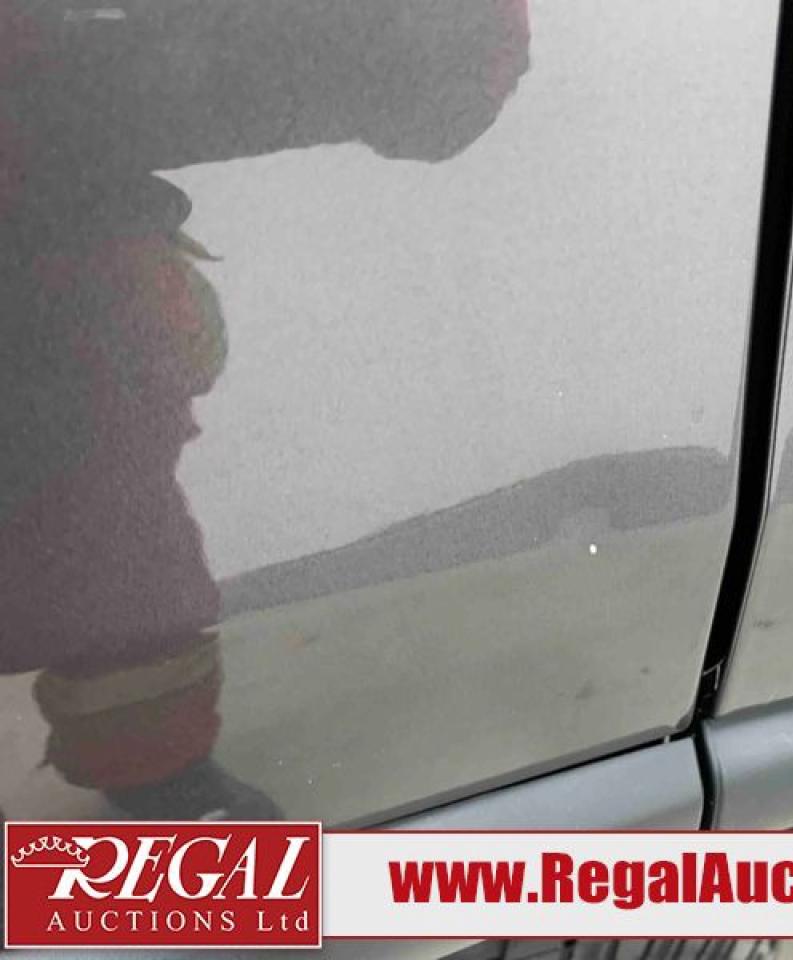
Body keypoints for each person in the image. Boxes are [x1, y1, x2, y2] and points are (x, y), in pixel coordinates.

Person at [0, 0, 529, 820]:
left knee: (109, 510)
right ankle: (165, 791)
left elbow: (441, 76)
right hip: (73, 298)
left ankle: (165, 791)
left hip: (74, 304)